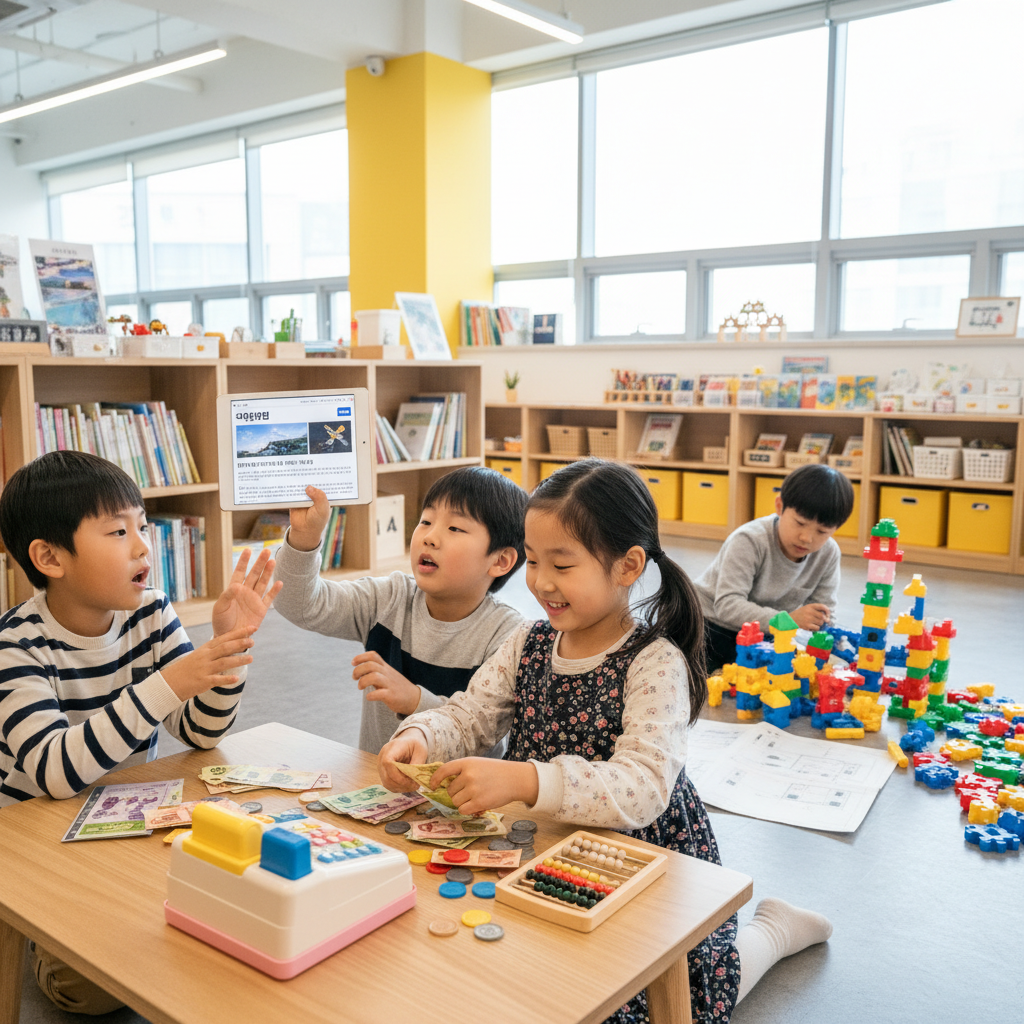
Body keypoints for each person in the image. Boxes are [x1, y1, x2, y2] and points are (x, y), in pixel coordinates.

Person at [378, 459, 832, 1024]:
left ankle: (775, 930)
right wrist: (422, 734)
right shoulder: (530, 641)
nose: (541, 582)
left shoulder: (653, 662)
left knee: (687, 1001)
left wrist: (525, 779)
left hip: (642, 858)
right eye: (535, 561)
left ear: (627, 566)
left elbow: (641, 787)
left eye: (562, 564)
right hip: (546, 843)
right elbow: (471, 713)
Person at [0, 450, 281, 1014]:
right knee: (91, 990)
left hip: (126, 818)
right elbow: (56, 773)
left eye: (143, 526)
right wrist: (169, 682)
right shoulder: (16, 644)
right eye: (117, 531)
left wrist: (228, 651)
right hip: (35, 838)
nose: (142, 546)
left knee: (237, 896)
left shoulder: (150, 614)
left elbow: (201, 730)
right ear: (49, 557)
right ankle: (32, 933)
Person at [274, 465, 528, 753]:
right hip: (378, 786)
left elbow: (484, 724)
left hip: (462, 795)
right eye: (426, 521)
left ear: (501, 561)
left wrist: (414, 700)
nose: (429, 537)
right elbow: (301, 603)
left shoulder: (509, 635)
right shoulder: (389, 598)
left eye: (454, 527)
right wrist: (304, 538)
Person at [695, 463, 855, 672]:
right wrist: (788, 619)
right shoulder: (749, 540)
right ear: (779, 506)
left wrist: (833, 645)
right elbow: (727, 605)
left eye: (822, 531)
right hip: (711, 626)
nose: (806, 538)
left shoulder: (828, 553)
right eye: (799, 523)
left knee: (794, 673)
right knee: (701, 677)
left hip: (768, 629)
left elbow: (824, 613)